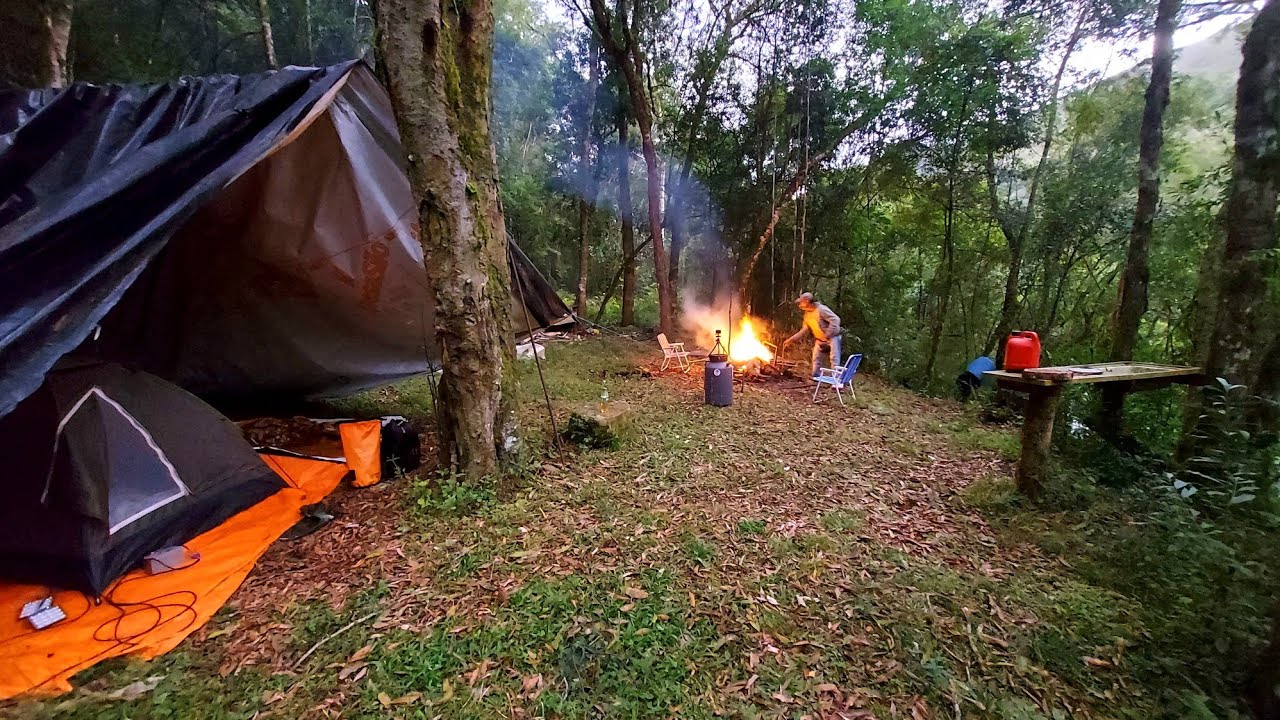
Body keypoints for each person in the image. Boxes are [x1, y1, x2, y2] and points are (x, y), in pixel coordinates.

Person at [782, 292, 842, 379]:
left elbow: (836, 320)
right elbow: (803, 330)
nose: (799, 304)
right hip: (819, 339)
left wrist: (827, 334)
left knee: (834, 359)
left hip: (832, 337)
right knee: (816, 358)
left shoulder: (821, 310)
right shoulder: (807, 314)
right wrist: (790, 340)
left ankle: (836, 380)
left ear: (807, 301)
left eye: (801, 302)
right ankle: (816, 377)